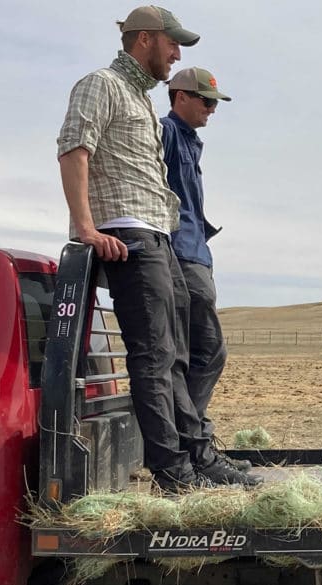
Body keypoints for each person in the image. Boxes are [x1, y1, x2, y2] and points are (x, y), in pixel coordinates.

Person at [56, 6, 260, 492]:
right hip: (127, 233)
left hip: (159, 236)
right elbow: (73, 148)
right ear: (145, 39)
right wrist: (85, 228)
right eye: (173, 44)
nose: (176, 54)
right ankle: (174, 473)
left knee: (176, 355)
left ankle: (195, 454)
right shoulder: (100, 84)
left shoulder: (140, 101)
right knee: (152, 356)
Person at [160, 67, 251, 472]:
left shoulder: (189, 141)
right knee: (202, 352)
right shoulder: (164, 132)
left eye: (214, 103)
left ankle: (195, 445)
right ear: (180, 97)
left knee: (200, 353)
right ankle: (195, 448)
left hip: (195, 253)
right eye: (206, 100)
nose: (212, 109)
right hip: (180, 254)